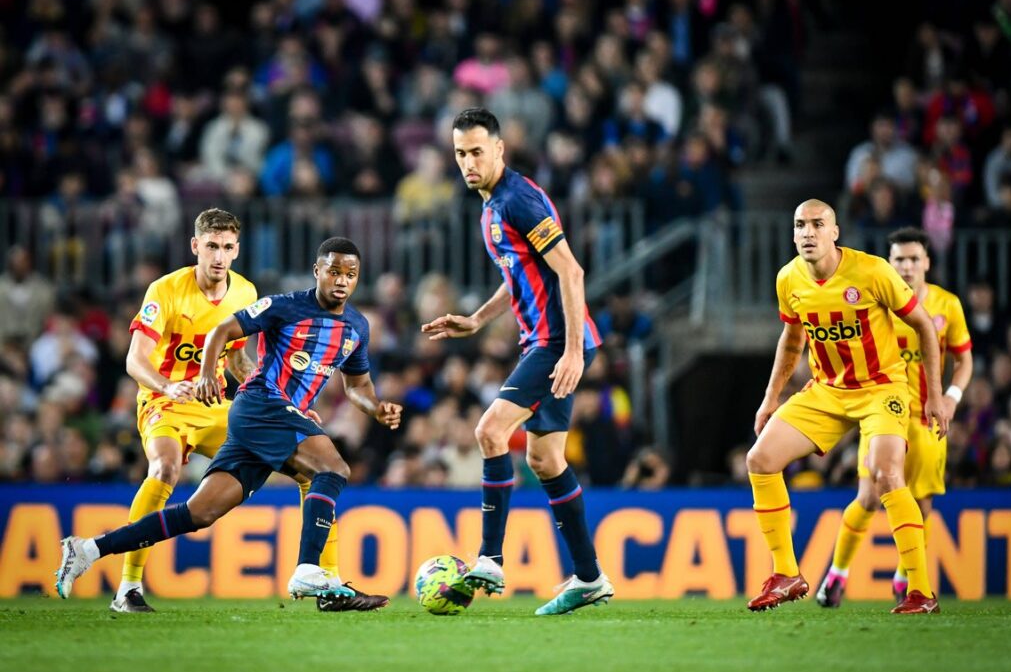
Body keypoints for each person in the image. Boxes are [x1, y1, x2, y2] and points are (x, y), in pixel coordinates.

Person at [56, 238, 402, 606]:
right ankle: (310, 571)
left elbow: (358, 384)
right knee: (333, 467)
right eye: (334, 271)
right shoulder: (285, 306)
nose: (341, 281)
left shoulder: (357, 327)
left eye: (350, 274)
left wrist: (376, 408)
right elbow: (222, 331)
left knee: (200, 512)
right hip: (260, 404)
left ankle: (88, 550)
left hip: (273, 418)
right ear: (317, 271)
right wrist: (207, 375)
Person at [421, 108, 613, 615]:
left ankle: (490, 557)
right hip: (544, 341)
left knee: (489, 431)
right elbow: (520, 275)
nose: (468, 161)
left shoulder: (518, 200)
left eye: (477, 151)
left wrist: (572, 350)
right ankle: (590, 578)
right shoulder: (492, 207)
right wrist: (479, 319)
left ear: (499, 150)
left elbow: (571, 273)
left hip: (555, 342)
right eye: (460, 153)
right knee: (545, 459)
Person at [745, 199, 949, 615]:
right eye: (800, 224)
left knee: (886, 474)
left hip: (881, 388)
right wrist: (771, 397)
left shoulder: (872, 271)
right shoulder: (789, 279)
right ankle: (786, 573)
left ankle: (921, 591)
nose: (807, 233)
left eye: (817, 224)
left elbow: (925, 324)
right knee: (760, 458)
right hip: (827, 391)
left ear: (834, 232)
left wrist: (935, 394)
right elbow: (791, 340)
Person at [109, 207, 259, 613]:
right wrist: (166, 385)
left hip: (213, 406)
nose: (219, 256)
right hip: (164, 400)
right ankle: (128, 587)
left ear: (237, 250)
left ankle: (316, 574)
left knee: (295, 453)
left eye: (227, 247)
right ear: (196, 246)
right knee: (165, 470)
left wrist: (277, 403)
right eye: (211, 246)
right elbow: (134, 361)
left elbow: (238, 361)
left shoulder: (246, 294)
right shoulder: (165, 290)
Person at [816, 227, 973, 608]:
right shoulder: (876, 301)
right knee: (869, 496)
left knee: (922, 504)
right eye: (899, 259)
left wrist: (951, 396)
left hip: (927, 420)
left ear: (927, 263)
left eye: (913, 259)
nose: (906, 266)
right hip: (884, 413)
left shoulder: (946, 305)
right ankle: (837, 575)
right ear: (890, 263)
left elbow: (963, 358)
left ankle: (907, 578)